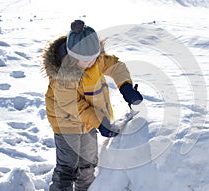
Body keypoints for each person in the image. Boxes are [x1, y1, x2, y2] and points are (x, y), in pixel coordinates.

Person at [42, 20, 143, 191]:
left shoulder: (95, 60)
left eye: (93, 58)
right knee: (68, 167)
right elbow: (73, 105)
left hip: (89, 123)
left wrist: (125, 85)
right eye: (84, 60)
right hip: (66, 124)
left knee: (88, 165)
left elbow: (116, 66)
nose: (90, 63)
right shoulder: (63, 76)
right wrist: (100, 122)